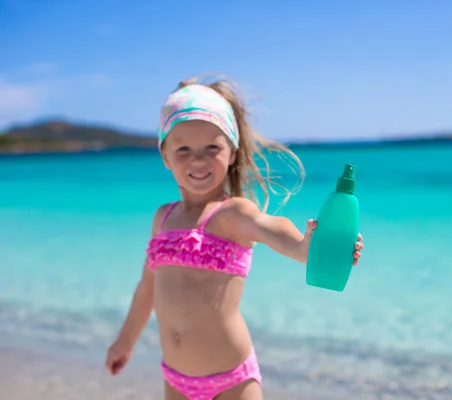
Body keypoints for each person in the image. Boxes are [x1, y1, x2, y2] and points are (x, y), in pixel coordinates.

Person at [105, 74, 364, 400]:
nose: (198, 159)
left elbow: (272, 228)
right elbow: (147, 289)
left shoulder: (232, 214)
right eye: (183, 148)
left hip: (232, 382)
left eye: (212, 147)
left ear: (231, 152)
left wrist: (305, 248)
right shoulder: (162, 218)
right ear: (165, 155)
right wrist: (126, 341)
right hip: (175, 379)